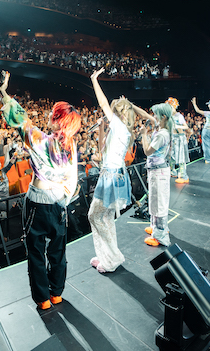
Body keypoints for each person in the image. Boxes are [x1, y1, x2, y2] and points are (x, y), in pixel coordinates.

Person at [0, 71, 81, 310]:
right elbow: (73, 177)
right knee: (58, 250)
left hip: (37, 202)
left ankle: (43, 299)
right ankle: (56, 294)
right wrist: (64, 200)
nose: (48, 117)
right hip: (58, 203)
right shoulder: (71, 145)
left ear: (57, 120)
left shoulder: (40, 140)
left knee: (36, 251)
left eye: (52, 114)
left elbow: (20, 119)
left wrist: (4, 92)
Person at [87, 68, 135, 273]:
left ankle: (112, 256)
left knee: (94, 216)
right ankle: (106, 257)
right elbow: (102, 151)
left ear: (119, 113)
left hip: (111, 177)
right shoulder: (120, 130)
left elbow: (103, 103)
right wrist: (100, 128)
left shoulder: (119, 127)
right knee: (105, 217)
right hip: (113, 175)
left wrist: (94, 80)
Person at [135, 103, 174, 247]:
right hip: (156, 170)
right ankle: (155, 227)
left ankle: (160, 235)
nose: (154, 117)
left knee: (159, 203)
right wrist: (132, 106)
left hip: (159, 172)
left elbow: (147, 151)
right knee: (154, 200)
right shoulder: (162, 127)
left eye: (156, 114)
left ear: (163, 117)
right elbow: (145, 115)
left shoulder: (163, 134)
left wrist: (144, 134)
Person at [166, 98, 191, 183]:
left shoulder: (179, 116)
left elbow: (186, 127)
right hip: (172, 137)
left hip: (180, 137)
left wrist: (177, 126)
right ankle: (172, 171)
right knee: (171, 156)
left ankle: (184, 176)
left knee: (181, 157)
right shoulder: (168, 116)